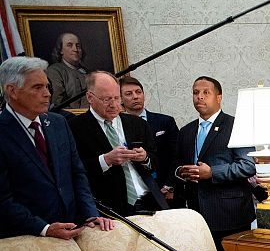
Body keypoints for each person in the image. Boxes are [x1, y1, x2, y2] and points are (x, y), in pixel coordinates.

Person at [0, 56, 113, 239]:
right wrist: (44, 228)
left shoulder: (58, 122)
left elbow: (77, 174)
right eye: (37, 87)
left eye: (47, 86)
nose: (47, 93)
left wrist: (90, 214)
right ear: (12, 91)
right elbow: (3, 200)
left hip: (73, 229)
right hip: (28, 238)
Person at [172, 76, 256, 251]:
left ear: (219, 97)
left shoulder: (235, 125)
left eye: (205, 93)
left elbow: (248, 165)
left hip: (230, 214)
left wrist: (212, 173)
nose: (199, 97)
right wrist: (181, 172)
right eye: (195, 93)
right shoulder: (186, 131)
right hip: (196, 216)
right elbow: (176, 164)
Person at [69, 71, 168, 217]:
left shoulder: (137, 124)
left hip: (150, 200)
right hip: (109, 208)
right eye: (107, 99)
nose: (114, 105)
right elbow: (74, 170)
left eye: (117, 98)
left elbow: (155, 161)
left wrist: (145, 157)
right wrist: (106, 160)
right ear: (90, 97)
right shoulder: (74, 128)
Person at [119, 76, 179, 199]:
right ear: (120, 99)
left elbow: (177, 155)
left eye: (138, 92)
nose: (135, 96)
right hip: (136, 192)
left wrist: (170, 185)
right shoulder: (117, 126)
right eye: (129, 94)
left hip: (166, 189)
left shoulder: (165, 121)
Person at [45, 32, 89, 110]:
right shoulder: (55, 71)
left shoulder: (88, 72)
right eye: (69, 45)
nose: (75, 50)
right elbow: (57, 102)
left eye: (78, 46)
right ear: (61, 50)